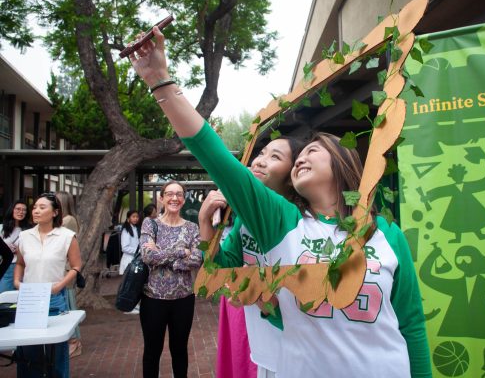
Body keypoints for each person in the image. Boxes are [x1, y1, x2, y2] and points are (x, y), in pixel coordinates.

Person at [130, 27, 432, 377]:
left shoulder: (386, 232)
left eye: (313, 152)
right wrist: (160, 80)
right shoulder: (282, 222)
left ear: (343, 164)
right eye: (299, 155)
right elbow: (215, 156)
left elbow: (410, 325)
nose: (302, 159)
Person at [200, 135, 303, 378]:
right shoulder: (244, 222)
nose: (260, 162)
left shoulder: (296, 219)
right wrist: (205, 224)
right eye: (262, 153)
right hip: (262, 349)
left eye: (275, 157)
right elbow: (219, 272)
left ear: (292, 176)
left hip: (298, 350)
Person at [13, 192, 82, 378]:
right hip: (29, 299)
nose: (36, 210)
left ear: (55, 212)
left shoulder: (67, 236)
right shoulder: (25, 236)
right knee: (28, 351)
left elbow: (76, 266)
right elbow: (20, 263)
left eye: (42, 207)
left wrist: (59, 286)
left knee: (57, 352)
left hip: (54, 298)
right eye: (35, 207)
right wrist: (17, 281)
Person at [139, 181, 203, 378]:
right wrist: (180, 252)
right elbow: (147, 256)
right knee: (152, 351)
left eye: (179, 194)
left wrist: (167, 258)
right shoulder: (151, 224)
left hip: (183, 299)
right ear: (161, 198)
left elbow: (198, 258)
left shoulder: (192, 228)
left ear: (183, 199)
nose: (174, 198)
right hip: (153, 299)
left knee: (180, 351)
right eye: (169, 194)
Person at [54, 191, 83, 358]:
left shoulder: (68, 221)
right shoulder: (64, 220)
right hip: (59, 270)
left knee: (70, 306)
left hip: (66, 271)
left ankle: (74, 342)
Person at [1, 200, 32, 292]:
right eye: (18, 209)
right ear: (12, 210)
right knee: (3, 296)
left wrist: (19, 251)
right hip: (7, 266)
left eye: (24, 210)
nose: (21, 212)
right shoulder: (1, 228)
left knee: (21, 297)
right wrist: (5, 249)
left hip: (23, 267)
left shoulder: (30, 230)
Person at [119, 210, 141, 275]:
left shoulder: (136, 228)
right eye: (133, 217)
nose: (135, 219)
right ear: (128, 218)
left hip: (135, 259)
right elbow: (124, 248)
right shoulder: (126, 230)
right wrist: (138, 251)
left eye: (137, 217)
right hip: (128, 260)